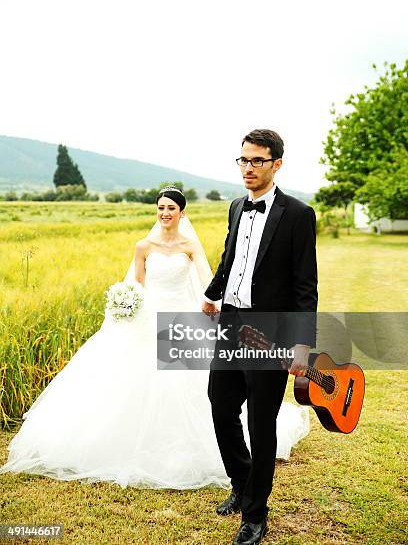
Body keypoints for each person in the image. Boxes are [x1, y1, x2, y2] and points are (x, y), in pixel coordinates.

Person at [0, 185, 309, 492]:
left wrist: (212, 302)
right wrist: (126, 301)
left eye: (170, 209)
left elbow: (208, 277)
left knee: (193, 389)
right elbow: (137, 284)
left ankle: (207, 459)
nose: (164, 213)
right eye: (160, 208)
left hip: (179, 319)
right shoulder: (143, 246)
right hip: (148, 320)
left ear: (181, 213)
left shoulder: (190, 245)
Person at [203, 130, 318, 545]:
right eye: (243, 160)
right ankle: (242, 480)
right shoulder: (236, 207)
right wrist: (212, 294)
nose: (248, 168)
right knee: (220, 403)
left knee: (261, 421)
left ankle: (255, 513)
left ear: (276, 164)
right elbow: (230, 257)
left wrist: (302, 344)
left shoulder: (299, 215)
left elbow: (306, 286)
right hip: (231, 323)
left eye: (257, 161)